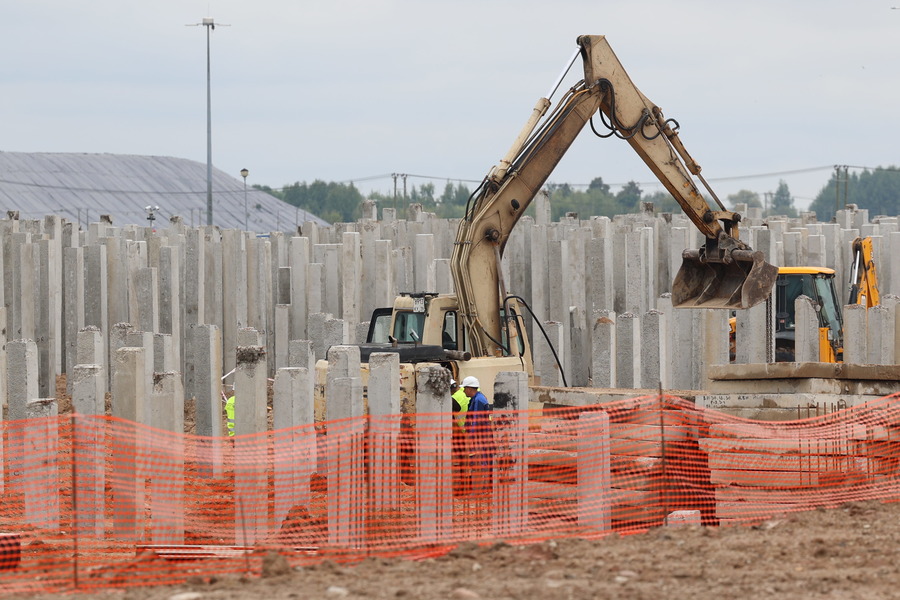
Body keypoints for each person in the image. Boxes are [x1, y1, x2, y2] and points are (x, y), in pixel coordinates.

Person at [462, 376, 494, 495]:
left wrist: (471, 435)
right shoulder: (477, 398)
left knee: (482, 460)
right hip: (482, 434)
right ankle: (484, 488)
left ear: (470, 388)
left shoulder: (478, 400)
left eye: (465, 388)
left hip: (481, 435)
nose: (464, 391)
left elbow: (476, 419)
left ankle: (483, 489)